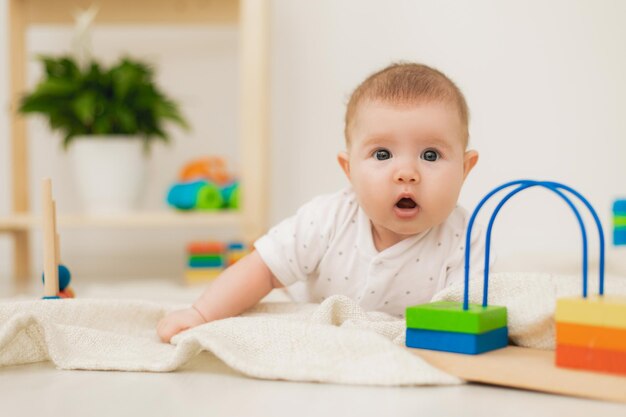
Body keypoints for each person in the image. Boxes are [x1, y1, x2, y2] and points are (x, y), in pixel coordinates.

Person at [157, 62, 490, 343]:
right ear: (349, 169)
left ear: (465, 168)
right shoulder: (328, 218)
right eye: (382, 154)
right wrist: (201, 312)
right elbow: (263, 269)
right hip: (313, 306)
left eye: (430, 155)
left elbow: (466, 313)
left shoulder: (465, 236)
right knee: (266, 264)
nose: (406, 173)